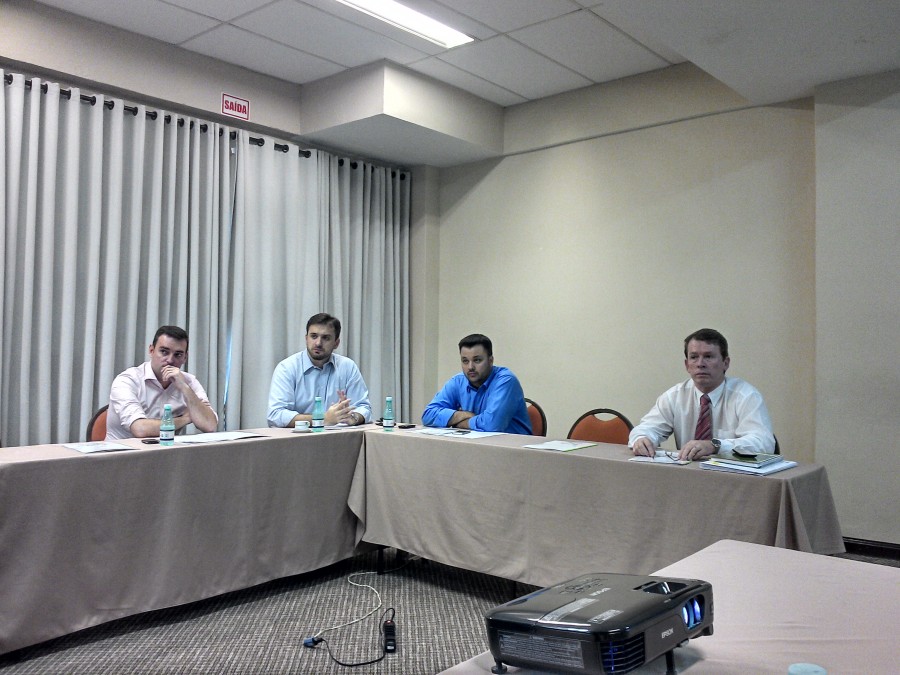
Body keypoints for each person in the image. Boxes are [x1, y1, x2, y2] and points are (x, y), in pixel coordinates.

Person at [629, 328, 775, 461]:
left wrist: (715, 446)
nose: (700, 364)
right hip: (688, 475)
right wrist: (642, 439)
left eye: (708, 356)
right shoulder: (674, 396)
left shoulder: (746, 396)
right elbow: (645, 428)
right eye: (694, 357)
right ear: (687, 365)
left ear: (725, 363)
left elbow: (763, 442)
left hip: (736, 476)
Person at [106, 325, 219, 440]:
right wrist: (185, 419)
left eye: (178, 355)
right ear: (151, 351)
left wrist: (185, 388)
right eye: (164, 352)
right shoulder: (127, 380)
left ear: (185, 358)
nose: (170, 360)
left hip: (167, 449)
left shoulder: (189, 382)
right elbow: (140, 429)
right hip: (123, 450)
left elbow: (210, 426)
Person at [267, 313, 372, 428]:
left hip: (339, 437)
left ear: (336, 343)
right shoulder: (287, 368)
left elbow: (364, 408)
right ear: (306, 339)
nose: (318, 343)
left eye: (326, 338)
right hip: (297, 437)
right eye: (313, 336)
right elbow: (276, 415)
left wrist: (353, 417)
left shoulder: (348, 367)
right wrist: (323, 418)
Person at [422, 334, 532, 435]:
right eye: (465, 361)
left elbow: (492, 425)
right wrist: (463, 415)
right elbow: (428, 415)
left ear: (490, 360)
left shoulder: (505, 381)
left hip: (512, 447)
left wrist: (461, 423)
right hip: (476, 446)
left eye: (477, 360)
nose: (470, 367)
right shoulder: (458, 381)